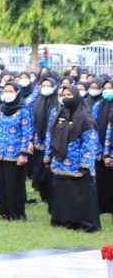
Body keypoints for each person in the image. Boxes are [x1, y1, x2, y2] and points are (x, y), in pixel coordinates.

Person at [44, 86, 101, 232]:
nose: (66, 97)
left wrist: (85, 163)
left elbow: (89, 142)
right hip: (60, 162)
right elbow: (51, 136)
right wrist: (48, 156)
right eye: (64, 94)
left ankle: (83, 224)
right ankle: (63, 220)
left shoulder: (84, 117)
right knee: (62, 193)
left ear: (76, 96)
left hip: (77, 164)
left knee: (79, 195)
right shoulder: (59, 113)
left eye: (70, 94)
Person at [0, 81, 32, 221]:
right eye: (5, 91)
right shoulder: (0, 110)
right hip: (1, 154)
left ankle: (17, 214)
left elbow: (26, 134)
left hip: (15, 155)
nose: (7, 94)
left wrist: (23, 153)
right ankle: (4, 213)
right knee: (2, 185)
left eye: (10, 91)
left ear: (17, 93)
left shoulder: (23, 111)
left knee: (14, 185)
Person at [31, 77, 59, 201]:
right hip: (38, 139)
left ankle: (50, 193)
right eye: (44, 85)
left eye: (48, 85)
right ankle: (39, 188)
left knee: (48, 167)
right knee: (38, 164)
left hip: (51, 140)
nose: (45, 88)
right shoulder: (38, 102)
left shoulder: (57, 104)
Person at [93, 79, 113, 214]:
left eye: (110, 88)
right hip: (98, 151)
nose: (107, 90)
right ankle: (101, 206)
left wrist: (109, 154)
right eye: (105, 88)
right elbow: (92, 127)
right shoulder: (98, 105)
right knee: (101, 181)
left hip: (111, 151)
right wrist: (98, 150)